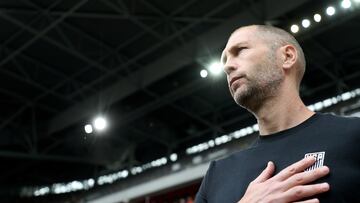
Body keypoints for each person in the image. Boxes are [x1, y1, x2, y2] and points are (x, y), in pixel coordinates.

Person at [195, 25, 360, 203]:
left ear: (287, 56)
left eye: (240, 50)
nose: (227, 66)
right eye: (225, 60)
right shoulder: (217, 175)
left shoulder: (354, 135)